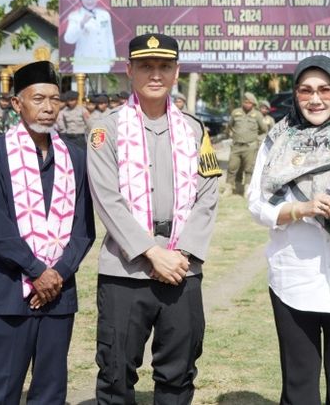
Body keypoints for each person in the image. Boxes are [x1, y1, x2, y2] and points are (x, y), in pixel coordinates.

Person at [88, 33, 221, 404]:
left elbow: (208, 195)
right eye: (146, 66)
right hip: (125, 270)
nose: (155, 74)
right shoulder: (105, 129)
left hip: (183, 266)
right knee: (116, 373)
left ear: (176, 72)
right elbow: (107, 199)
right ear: (129, 70)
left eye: (164, 66)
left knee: (178, 374)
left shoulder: (194, 129)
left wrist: (184, 253)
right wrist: (151, 252)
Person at [247, 55, 330, 404]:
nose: (315, 99)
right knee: (299, 386)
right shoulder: (276, 141)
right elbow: (257, 204)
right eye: (305, 90)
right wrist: (300, 209)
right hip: (294, 278)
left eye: (324, 90)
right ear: (295, 94)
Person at [0, 60, 95, 404]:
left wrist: (56, 274)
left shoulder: (74, 155)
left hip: (58, 295)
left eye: (54, 99)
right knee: (0, 389)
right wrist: (38, 271)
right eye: (38, 98)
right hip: (9, 293)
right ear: (17, 104)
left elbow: (84, 229)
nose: (48, 108)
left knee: (50, 390)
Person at [63, 0, 117, 73]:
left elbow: (109, 37)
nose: (90, 1)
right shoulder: (75, 16)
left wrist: (112, 57)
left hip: (103, 63)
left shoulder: (104, 15)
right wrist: (81, 24)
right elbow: (68, 39)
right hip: (84, 64)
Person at [224, 92, 266, 196]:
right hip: (236, 146)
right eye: (245, 102)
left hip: (250, 147)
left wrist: (255, 139)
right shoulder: (235, 113)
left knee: (249, 169)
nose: (247, 104)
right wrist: (232, 135)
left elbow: (264, 130)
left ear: (253, 104)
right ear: (242, 102)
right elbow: (230, 126)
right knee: (232, 167)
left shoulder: (258, 115)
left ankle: (247, 189)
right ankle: (229, 188)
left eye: (250, 103)